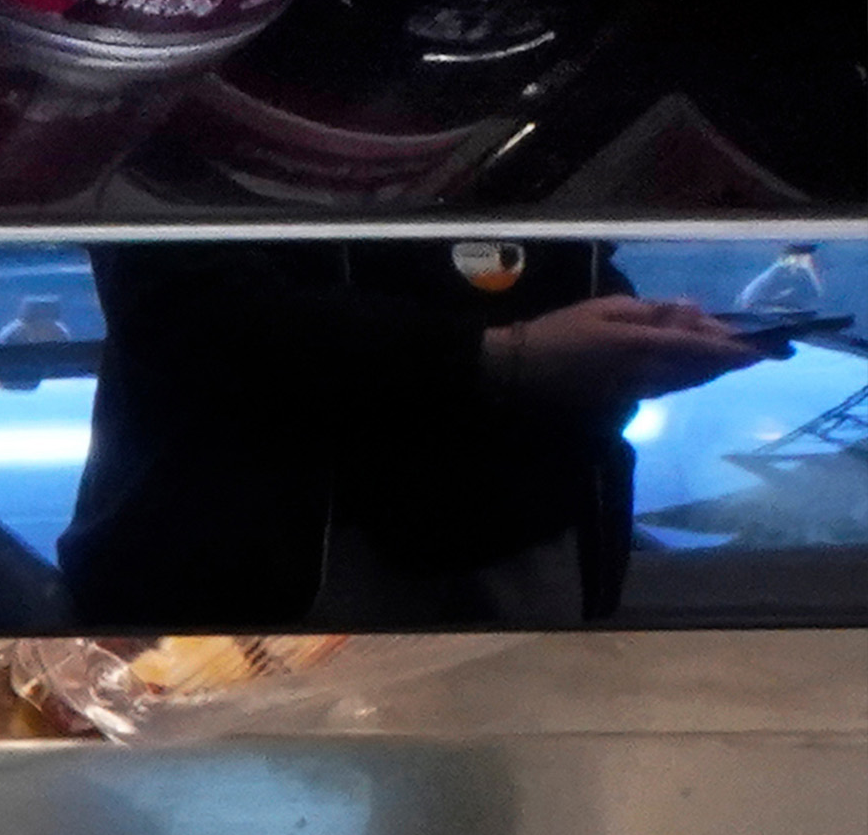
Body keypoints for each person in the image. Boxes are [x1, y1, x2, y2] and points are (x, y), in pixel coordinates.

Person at [62, 241, 775, 626]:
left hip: (526, 541)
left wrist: (626, 334)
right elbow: (186, 309)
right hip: (259, 570)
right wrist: (506, 354)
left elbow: (556, 258)